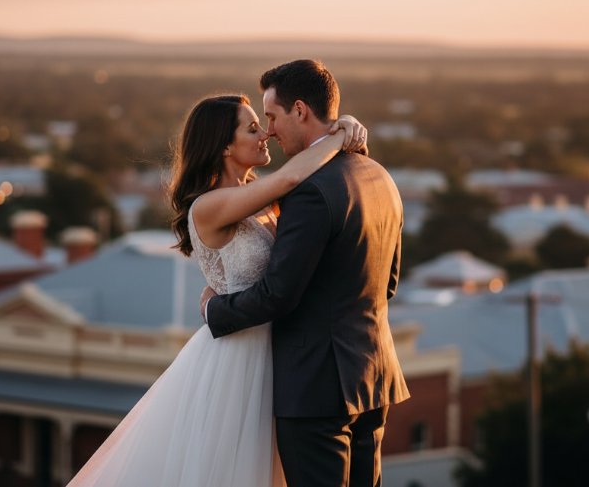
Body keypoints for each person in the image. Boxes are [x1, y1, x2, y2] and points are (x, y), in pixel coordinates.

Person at [65, 92, 367, 487]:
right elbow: (293, 175)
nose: (266, 135)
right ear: (225, 145)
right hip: (238, 356)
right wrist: (340, 133)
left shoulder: (261, 199)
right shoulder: (208, 206)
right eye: (253, 128)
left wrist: (344, 132)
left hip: (280, 353)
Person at [201, 59, 410, 487]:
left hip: (316, 387)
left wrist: (214, 311)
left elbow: (279, 294)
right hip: (373, 375)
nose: (270, 131)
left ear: (300, 110)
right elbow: (387, 283)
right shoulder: (378, 175)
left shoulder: (310, 191)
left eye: (273, 117)